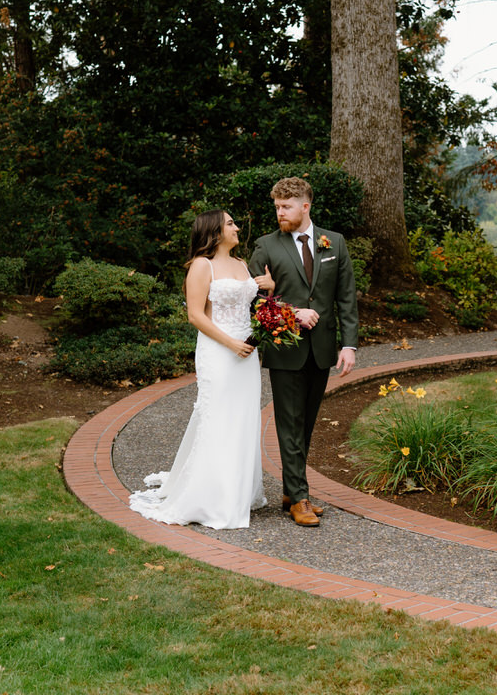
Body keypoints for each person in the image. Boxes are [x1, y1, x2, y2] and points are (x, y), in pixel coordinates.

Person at [130, 210, 274, 529]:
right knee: (219, 416)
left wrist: (270, 289)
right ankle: (213, 497)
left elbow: (253, 305)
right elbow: (196, 316)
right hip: (219, 352)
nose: (237, 227)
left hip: (247, 354)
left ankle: (239, 490)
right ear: (215, 231)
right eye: (231, 223)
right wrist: (231, 343)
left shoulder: (240, 264)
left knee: (243, 416)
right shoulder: (201, 266)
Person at [248, 177, 359, 526]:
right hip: (285, 349)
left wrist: (349, 344)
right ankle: (299, 498)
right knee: (289, 424)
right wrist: (293, 313)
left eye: (286, 207)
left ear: (305, 206)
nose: (280, 213)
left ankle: (290, 488)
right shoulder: (266, 246)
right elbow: (252, 299)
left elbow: (346, 298)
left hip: (323, 350)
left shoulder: (334, 243)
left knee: (306, 424)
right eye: (277, 207)